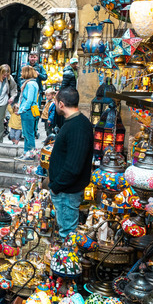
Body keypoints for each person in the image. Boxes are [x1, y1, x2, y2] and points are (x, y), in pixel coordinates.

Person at [48, 87, 93, 238]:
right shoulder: (75, 123)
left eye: (55, 101)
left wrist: (55, 186)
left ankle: (67, 261)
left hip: (66, 191)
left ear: (61, 104)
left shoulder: (78, 127)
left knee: (67, 236)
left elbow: (74, 167)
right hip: (65, 190)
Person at [17, 65, 40, 155]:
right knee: (28, 134)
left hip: (28, 112)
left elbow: (29, 99)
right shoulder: (33, 83)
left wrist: (22, 109)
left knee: (28, 134)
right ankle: (27, 152)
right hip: (30, 111)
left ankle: (30, 154)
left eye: (22, 71)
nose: (21, 73)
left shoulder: (30, 84)